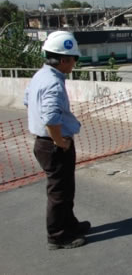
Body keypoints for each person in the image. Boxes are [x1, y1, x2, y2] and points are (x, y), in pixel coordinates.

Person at [24, 31, 90, 250]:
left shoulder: (40, 76)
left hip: (45, 142)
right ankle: (57, 235)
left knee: (65, 188)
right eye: (73, 59)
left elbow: (27, 101)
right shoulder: (53, 82)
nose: (74, 64)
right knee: (59, 192)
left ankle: (69, 223)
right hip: (53, 144)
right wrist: (60, 141)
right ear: (63, 60)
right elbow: (51, 117)